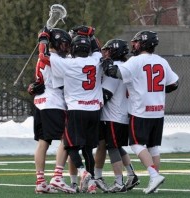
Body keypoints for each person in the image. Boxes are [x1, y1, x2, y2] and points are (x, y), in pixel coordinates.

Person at [101, 30, 179, 194]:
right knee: (153, 146)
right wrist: (155, 93)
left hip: (140, 110)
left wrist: (107, 62)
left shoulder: (136, 61)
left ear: (143, 43)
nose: (133, 45)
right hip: (158, 110)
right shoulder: (162, 61)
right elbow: (174, 84)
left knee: (136, 144)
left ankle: (153, 175)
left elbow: (115, 73)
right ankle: (154, 181)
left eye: (136, 42)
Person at [49, 28, 103, 194]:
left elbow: (45, 56)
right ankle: (92, 183)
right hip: (94, 109)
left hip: (77, 109)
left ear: (73, 49)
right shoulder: (96, 59)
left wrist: (44, 39)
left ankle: (82, 171)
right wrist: (91, 35)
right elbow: (98, 49)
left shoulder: (68, 63)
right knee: (88, 148)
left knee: (70, 145)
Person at [28, 27, 76, 194]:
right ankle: (57, 176)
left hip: (40, 102)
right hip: (54, 103)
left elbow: (38, 81)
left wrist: (43, 40)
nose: (66, 48)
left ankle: (40, 181)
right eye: (64, 44)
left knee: (43, 142)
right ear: (56, 43)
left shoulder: (46, 58)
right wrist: (43, 41)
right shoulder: (56, 59)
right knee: (67, 139)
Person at [98, 39, 140, 193]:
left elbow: (105, 94)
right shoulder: (125, 67)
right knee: (117, 146)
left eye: (108, 50)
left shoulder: (114, 70)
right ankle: (131, 174)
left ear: (114, 51)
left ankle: (118, 181)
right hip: (123, 113)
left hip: (113, 115)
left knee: (113, 147)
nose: (105, 53)